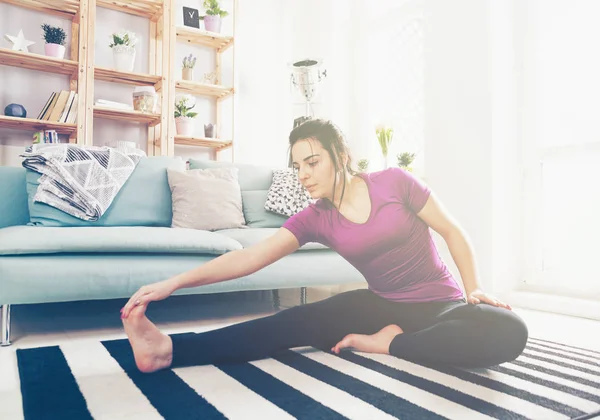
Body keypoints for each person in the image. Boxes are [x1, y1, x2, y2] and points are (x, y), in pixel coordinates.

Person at [120, 118, 528, 374]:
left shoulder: (395, 183)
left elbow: (453, 231)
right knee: (289, 323)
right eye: (297, 166)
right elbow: (249, 258)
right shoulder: (316, 217)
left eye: (312, 162)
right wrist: (172, 283)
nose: (303, 175)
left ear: (341, 155)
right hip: (380, 304)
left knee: (510, 329)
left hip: (442, 304)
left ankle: (389, 343)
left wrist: (473, 289)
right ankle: (168, 351)